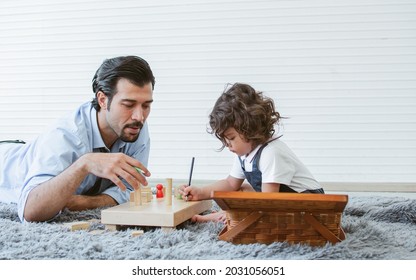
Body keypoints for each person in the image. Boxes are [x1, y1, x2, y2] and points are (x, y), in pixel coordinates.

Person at [0, 55, 155, 222]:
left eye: (146, 105)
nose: (139, 116)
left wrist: (86, 202)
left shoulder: (134, 126)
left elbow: (131, 188)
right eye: (128, 105)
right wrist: (85, 163)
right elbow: (30, 212)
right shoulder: (65, 134)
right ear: (102, 100)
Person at [179, 83, 324, 223]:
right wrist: (200, 192)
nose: (227, 144)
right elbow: (231, 183)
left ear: (250, 129)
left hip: (309, 204)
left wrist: (240, 209)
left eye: (231, 138)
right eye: (224, 140)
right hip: (280, 199)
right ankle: (225, 214)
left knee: (246, 203)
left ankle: (225, 216)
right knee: (239, 191)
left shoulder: (271, 153)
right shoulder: (244, 153)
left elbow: (269, 202)